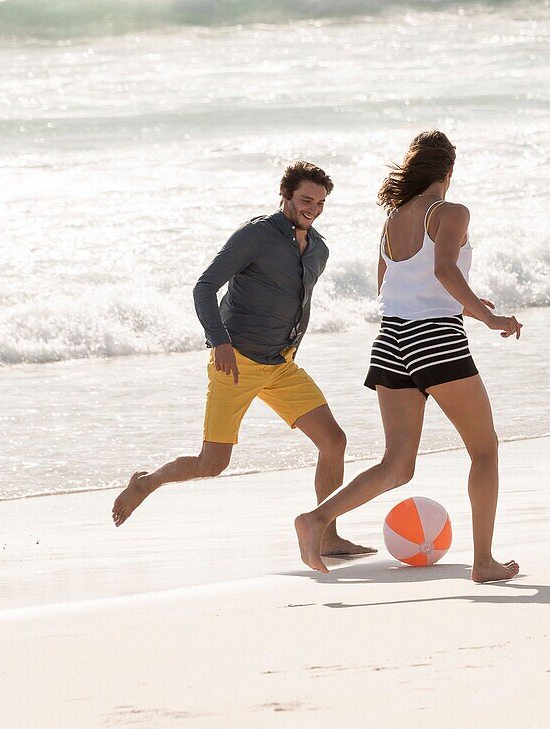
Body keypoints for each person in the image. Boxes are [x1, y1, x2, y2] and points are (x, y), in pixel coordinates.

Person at [112, 161, 374, 558]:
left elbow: (298, 303)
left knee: (334, 441)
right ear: (285, 195)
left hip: (281, 366)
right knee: (212, 462)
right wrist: (218, 341)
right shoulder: (255, 236)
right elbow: (204, 287)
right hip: (236, 364)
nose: (313, 208)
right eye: (306, 199)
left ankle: (327, 534)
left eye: (320, 202)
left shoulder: (318, 249)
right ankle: (146, 483)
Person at [294, 131, 522, 583]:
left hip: (390, 340)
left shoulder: (393, 220)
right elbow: (443, 269)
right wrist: (486, 319)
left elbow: (389, 287)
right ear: (448, 172)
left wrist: (466, 303)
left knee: (397, 465)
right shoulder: (450, 212)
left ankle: (316, 520)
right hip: (435, 339)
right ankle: (483, 563)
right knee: (484, 450)